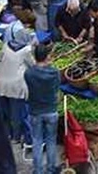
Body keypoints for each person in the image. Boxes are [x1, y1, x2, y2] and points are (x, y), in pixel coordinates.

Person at [24, 44, 61, 174]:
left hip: (35, 111)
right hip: (51, 110)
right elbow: (57, 93)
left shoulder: (28, 73)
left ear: (35, 57)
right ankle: (51, 169)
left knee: (37, 141)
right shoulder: (54, 72)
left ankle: (38, 170)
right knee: (51, 140)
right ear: (47, 56)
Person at [0, 27, 34, 144]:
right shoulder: (26, 50)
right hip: (15, 85)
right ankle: (16, 137)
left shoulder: (5, 45)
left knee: (4, 112)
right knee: (16, 114)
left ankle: (6, 134)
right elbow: (32, 64)